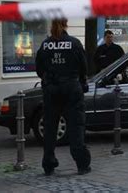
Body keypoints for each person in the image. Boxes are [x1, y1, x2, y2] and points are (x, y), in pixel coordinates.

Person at [35, 19, 91, 176]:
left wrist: (49, 80)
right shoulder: (74, 43)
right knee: (76, 127)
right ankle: (82, 163)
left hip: (51, 90)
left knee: (50, 127)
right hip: (72, 89)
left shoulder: (45, 45)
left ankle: (48, 163)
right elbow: (83, 67)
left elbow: (39, 68)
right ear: (66, 24)